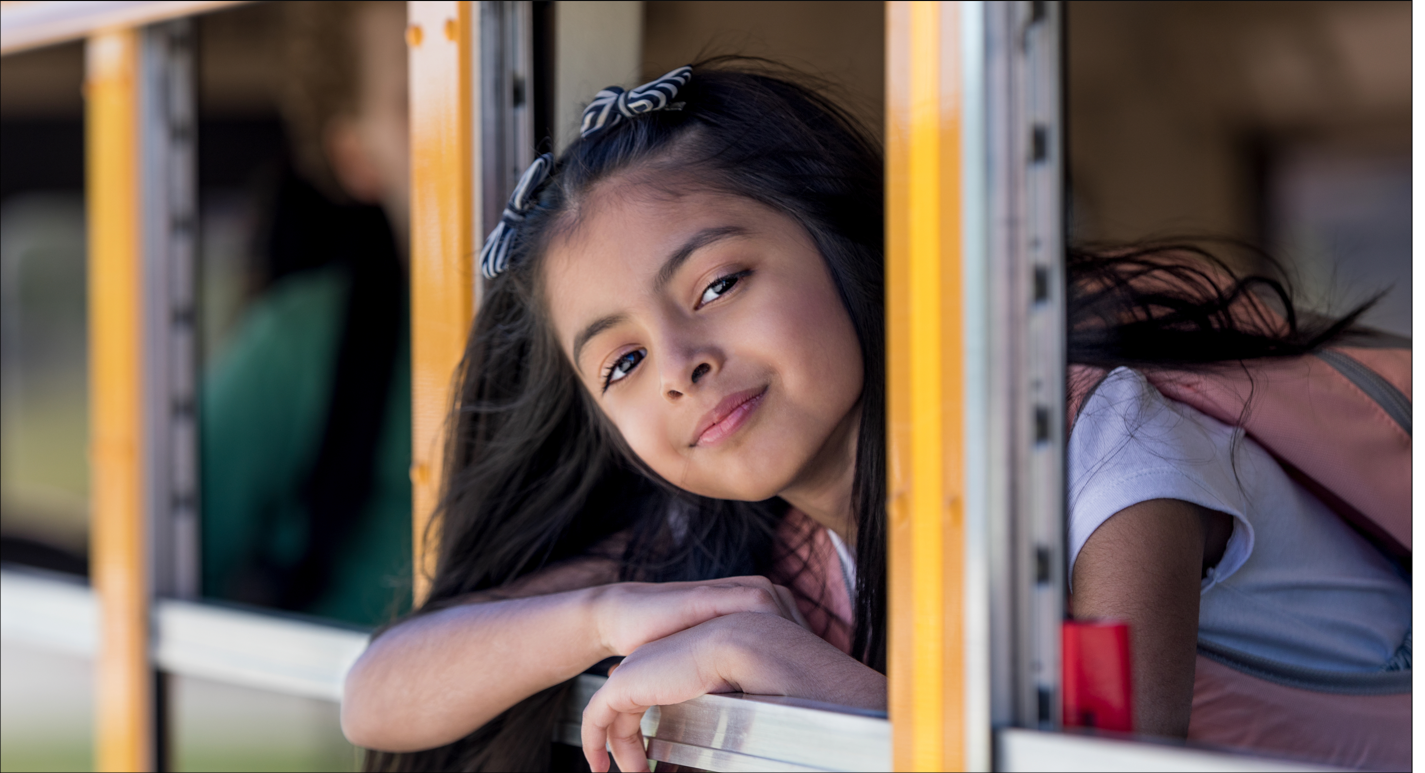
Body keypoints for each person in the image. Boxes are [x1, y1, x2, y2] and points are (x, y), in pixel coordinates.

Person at [340, 60, 1409, 772]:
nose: (681, 366)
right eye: (619, 361)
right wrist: (609, 617)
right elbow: (379, 694)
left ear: (852, 248)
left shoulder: (1105, 454)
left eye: (717, 285)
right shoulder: (750, 529)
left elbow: (1104, 756)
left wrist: (795, 675)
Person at [200, 1, 413, 626]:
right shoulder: (301, 341)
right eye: (419, 101)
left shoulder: (635, 319)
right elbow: (164, 575)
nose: (478, 121)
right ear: (358, 157)